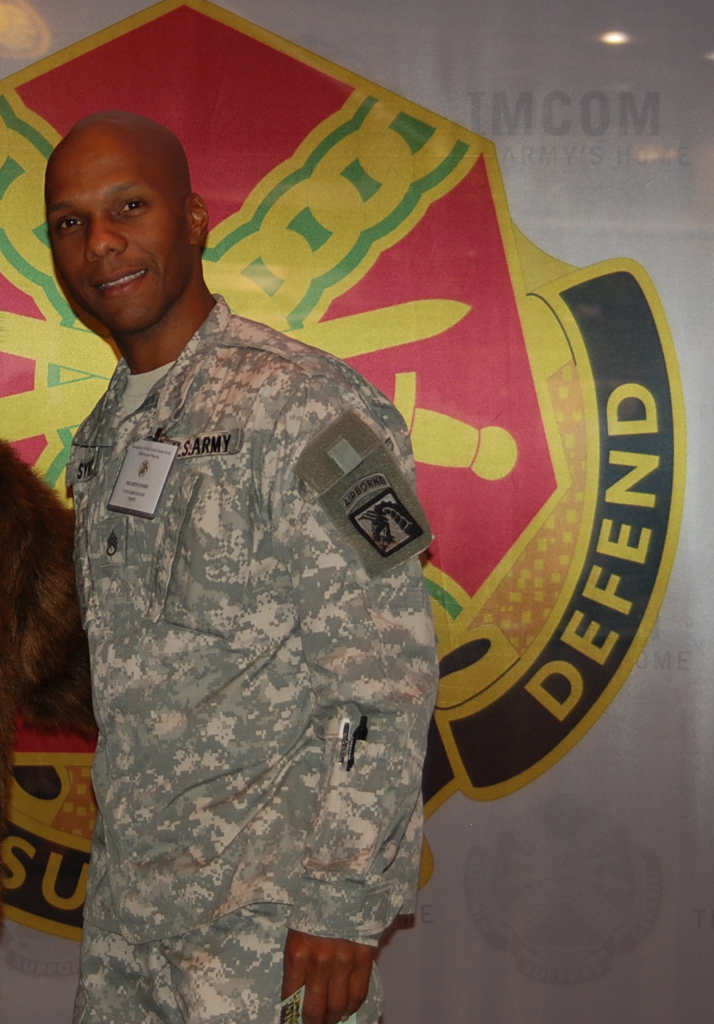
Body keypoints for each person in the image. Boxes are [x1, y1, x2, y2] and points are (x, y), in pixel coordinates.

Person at [43, 112, 438, 1024]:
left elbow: (384, 673)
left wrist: (342, 907)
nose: (100, 243)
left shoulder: (305, 408)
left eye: (128, 207)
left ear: (194, 218)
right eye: (70, 222)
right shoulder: (109, 434)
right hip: (134, 926)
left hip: (266, 934)